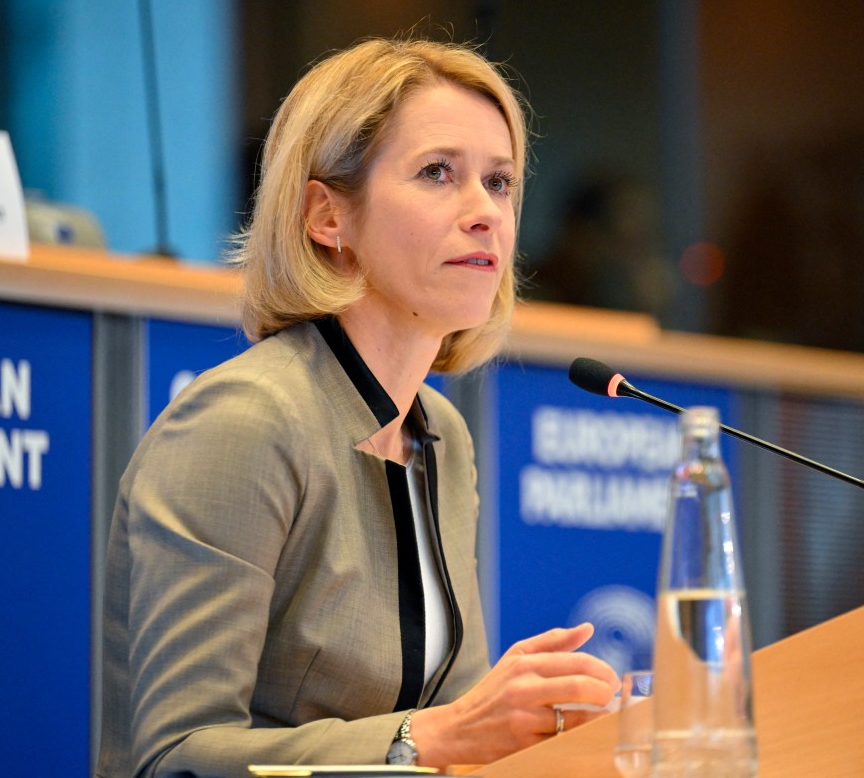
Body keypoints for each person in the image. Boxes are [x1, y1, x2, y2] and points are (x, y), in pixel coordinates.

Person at [97, 38, 619, 777]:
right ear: (326, 217)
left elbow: (454, 726)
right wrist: (432, 740)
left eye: (500, 183)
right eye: (439, 173)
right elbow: (174, 759)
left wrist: (524, 733)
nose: (486, 215)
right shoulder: (244, 422)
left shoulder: (444, 436)